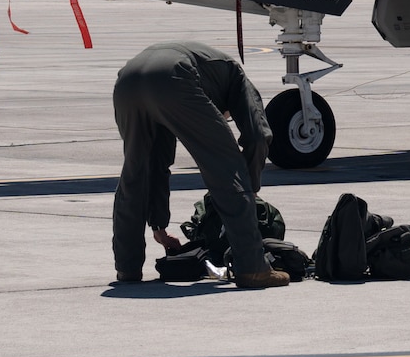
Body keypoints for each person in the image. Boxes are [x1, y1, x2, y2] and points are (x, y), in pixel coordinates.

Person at [111, 41, 287, 289]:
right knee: (227, 169)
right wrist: (249, 189)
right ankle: (253, 269)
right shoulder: (236, 77)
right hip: (174, 75)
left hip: (127, 82)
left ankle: (127, 268)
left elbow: (156, 169)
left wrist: (158, 225)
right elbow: (258, 136)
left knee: (136, 172)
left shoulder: (209, 74)